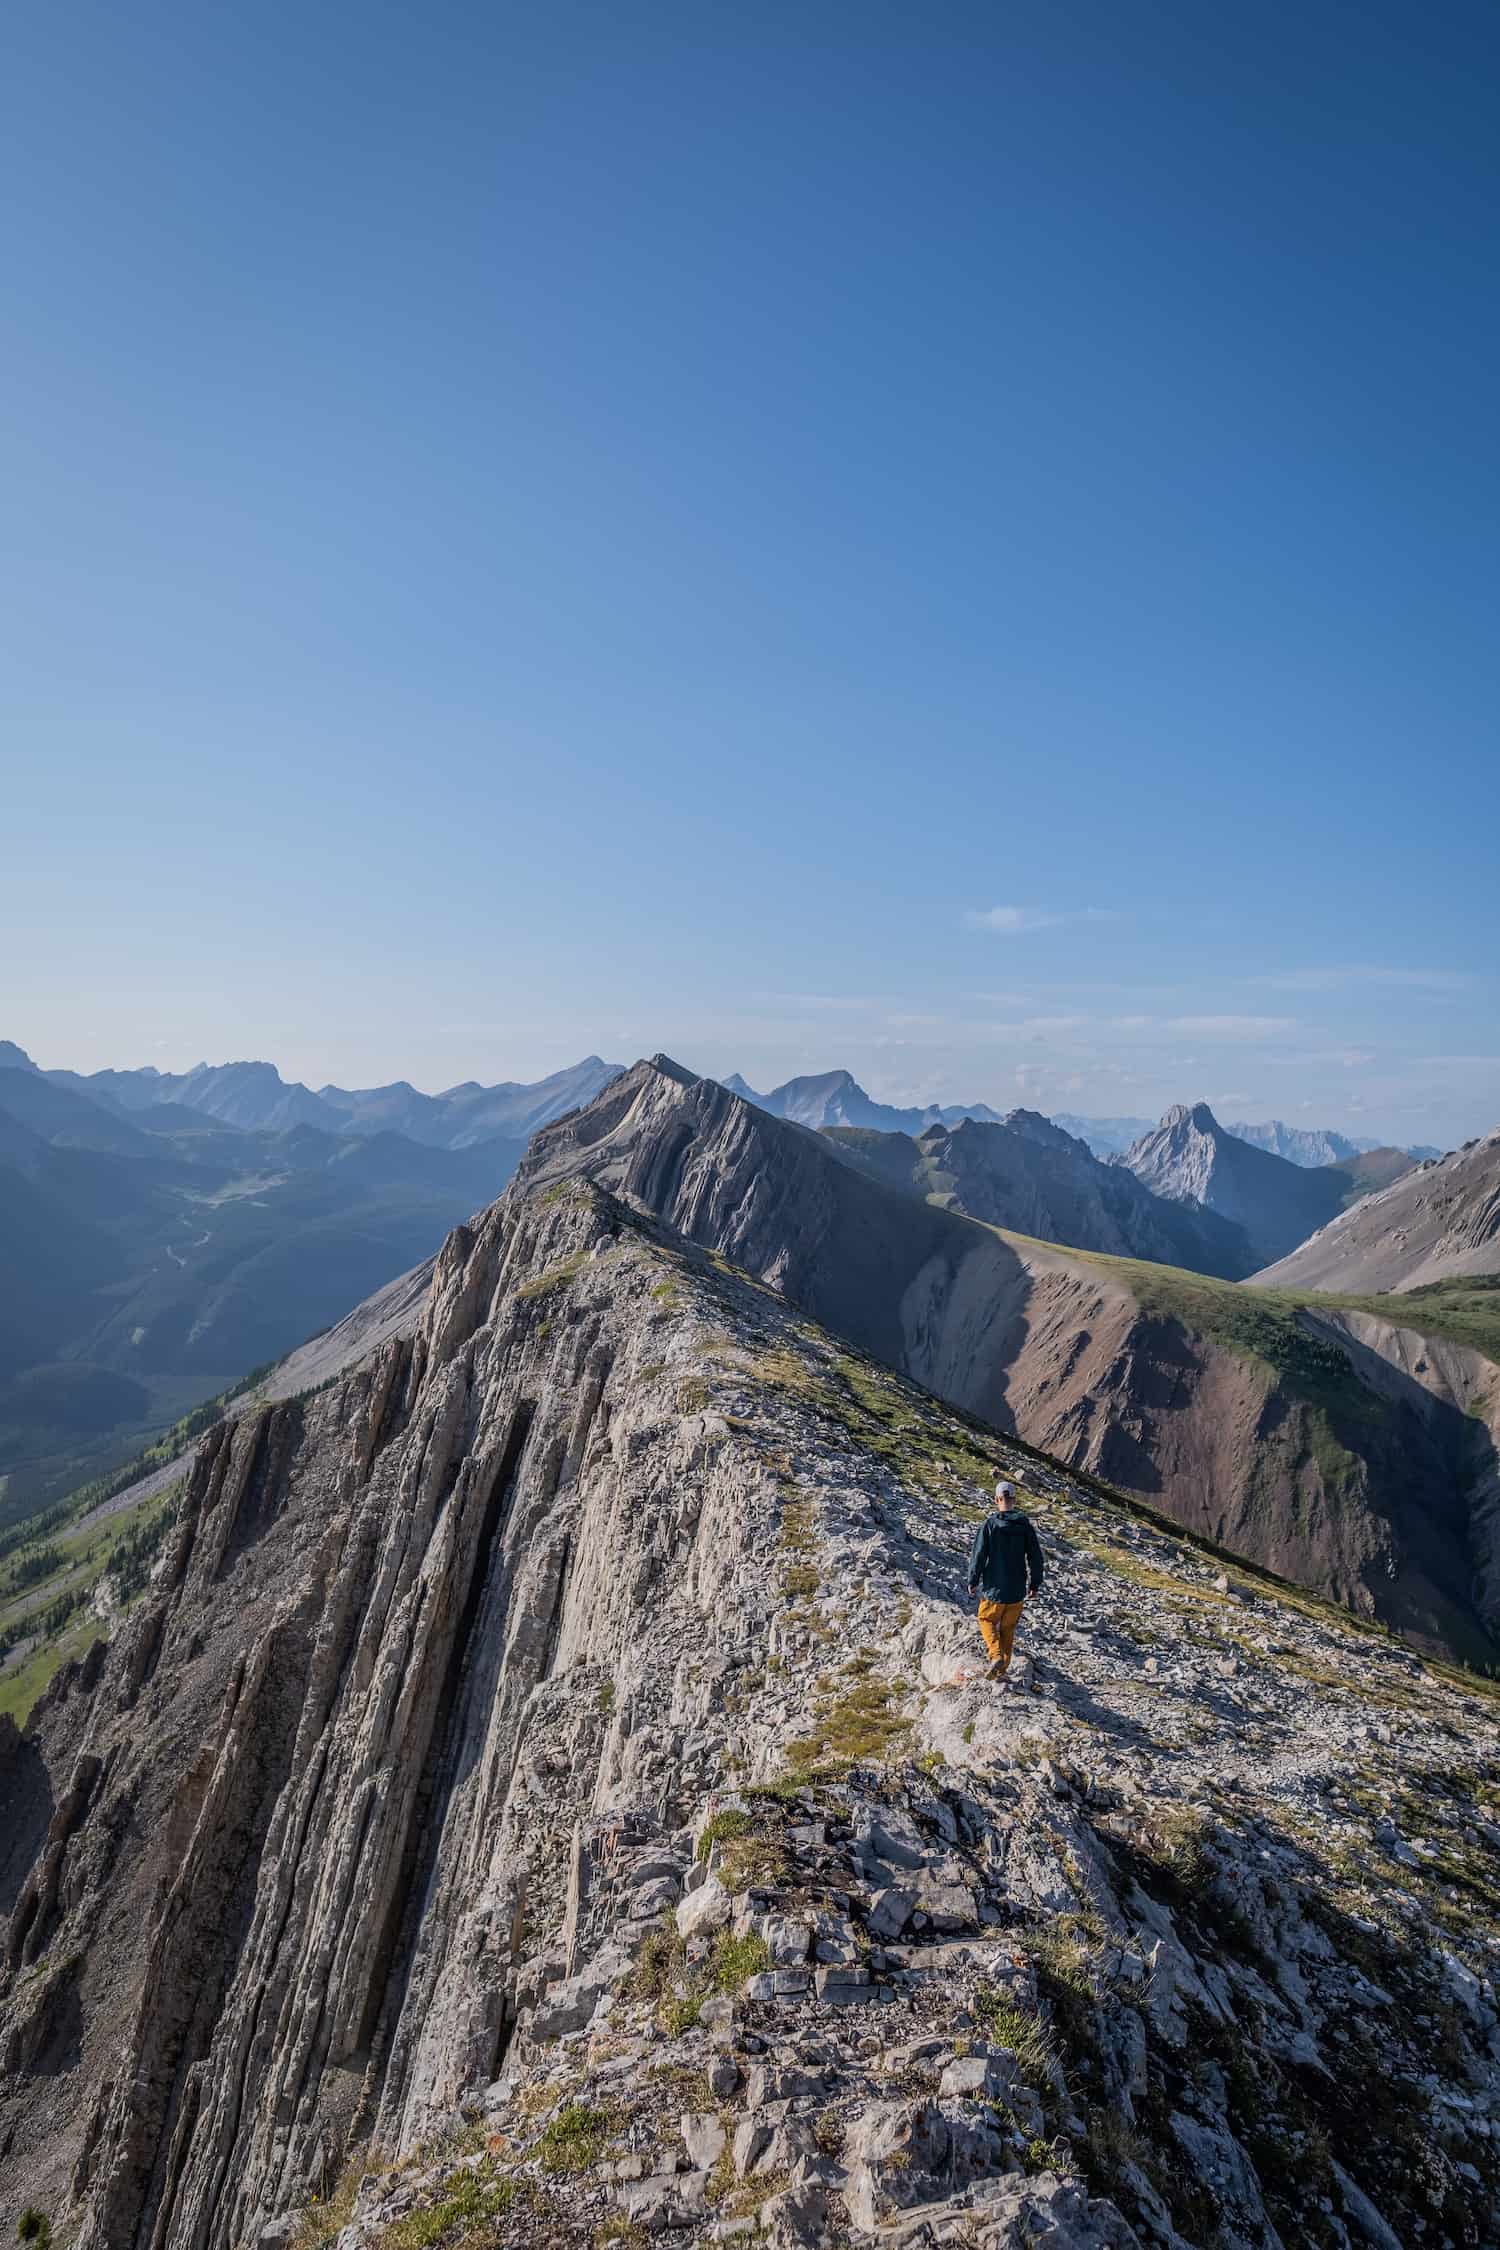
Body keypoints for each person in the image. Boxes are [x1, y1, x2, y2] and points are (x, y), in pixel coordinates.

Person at [966, 1478, 1044, 1681]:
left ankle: (996, 1655)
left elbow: (979, 1555)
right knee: (1008, 1629)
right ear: (1014, 1500)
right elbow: (1036, 1557)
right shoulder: (1025, 1525)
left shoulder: (990, 1525)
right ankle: (1001, 1671)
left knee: (986, 1619)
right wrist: (1034, 1584)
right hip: (1017, 1590)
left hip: (994, 1587)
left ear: (996, 1499)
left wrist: (973, 1580)